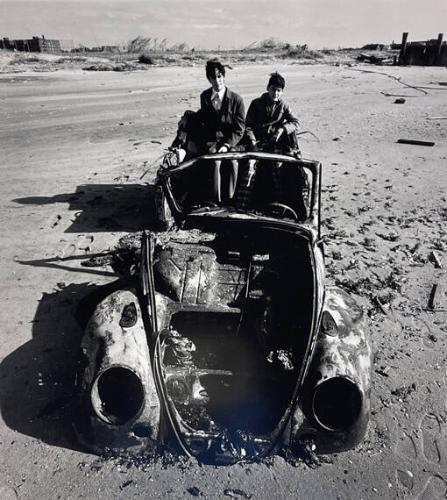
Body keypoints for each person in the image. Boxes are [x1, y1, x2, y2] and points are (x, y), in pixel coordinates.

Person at [171, 59, 245, 203]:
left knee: (232, 163)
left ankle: (230, 201)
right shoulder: (205, 96)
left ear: (224, 76)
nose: (217, 81)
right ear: (209, 79)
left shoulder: (237, 100)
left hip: (231, 142)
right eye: (213, 77)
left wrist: (226, 145)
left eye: (219, 76)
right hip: (211, 141)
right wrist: (187, 120)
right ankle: (215, 202)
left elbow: (239, 129)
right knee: (214, 162)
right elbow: (204, 119)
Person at [236, 72, 306, 218]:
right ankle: (241, 208)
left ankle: (279, 207)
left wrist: (282, 129)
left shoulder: (284, 106)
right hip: (257, 143)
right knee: (250, 168)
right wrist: (253, 141)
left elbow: (296, 123)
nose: (276, 93)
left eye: (279, 90)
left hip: (275, 145)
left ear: (282, 92)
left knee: (278, 168)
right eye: (273, 89)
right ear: (268, 88)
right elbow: (248, 126)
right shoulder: (256, 103)